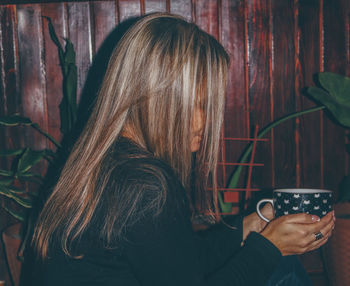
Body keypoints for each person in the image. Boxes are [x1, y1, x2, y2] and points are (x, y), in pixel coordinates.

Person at [32, 13, 335, 286]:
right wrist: (269, 248)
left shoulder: (103, 159)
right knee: (283, 269)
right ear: (157, 98)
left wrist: (250, 227)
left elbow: (177, 263)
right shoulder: (145, 185)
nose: (207, 120)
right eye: (199, 104)